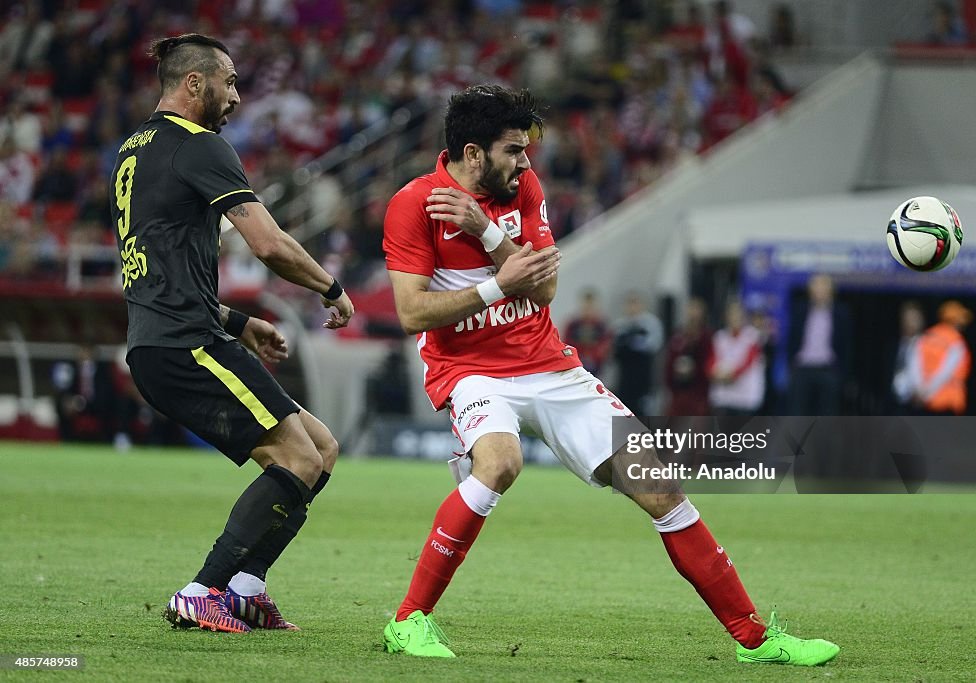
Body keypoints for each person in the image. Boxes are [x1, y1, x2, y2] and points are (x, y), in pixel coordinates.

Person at [379, 83, 838, 665]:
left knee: (662, 487)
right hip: (469, 369)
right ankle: (409, 622)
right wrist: (498, 282)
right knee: (500, 462)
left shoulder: (522, 189)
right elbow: (411, 313)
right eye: (513, 150)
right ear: (474, 154)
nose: (525, 162)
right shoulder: (413, 203)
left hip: (548, 364)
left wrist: (489, 233)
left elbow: (544, 288)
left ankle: (755, 639)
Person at [110, 34, 354, 634]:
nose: (237, 95)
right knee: (296, 456)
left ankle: (246, 587)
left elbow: (160, 276)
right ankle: (203, 590)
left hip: (165, 337)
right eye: (231, 81)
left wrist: (240, 322)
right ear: (195, 82)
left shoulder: (133, 151)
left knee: (319, 448)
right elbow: (268, 244)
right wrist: (329, 288)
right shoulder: (201, 146)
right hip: (184, 344)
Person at [786, 274, 851, 416]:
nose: (819, 291)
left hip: (828, 370)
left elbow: (847, 345)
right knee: (798, 415)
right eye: (816, 287)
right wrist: (792, 365)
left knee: (827, 416)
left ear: (831, 290)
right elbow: (791, 340)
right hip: (802, 369)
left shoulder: (841, 313)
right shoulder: (800, 310)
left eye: (823, 287)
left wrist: (841, 374)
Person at [908, 300, 972, 415]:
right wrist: (928, 392)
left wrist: (921, 392)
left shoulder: (926, 336)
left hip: (924, 401)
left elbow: (914, 366)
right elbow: (945, 372)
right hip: (948, 402)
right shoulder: (956, 342)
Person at [611, 292, 665, 417]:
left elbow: (654, 345)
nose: (632, 308)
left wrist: (632, 343)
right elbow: (614, 349)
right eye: (630, 304)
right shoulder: (620, 326)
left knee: (644, 411)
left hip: (644, 374)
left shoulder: (651, 324)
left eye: (635, 304)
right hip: (625, 376)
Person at [709, 300, 764, 416]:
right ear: (726, 317)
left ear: (744, 317)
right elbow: (711, 361)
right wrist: (714, 373)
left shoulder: (752, 336)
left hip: (745, 397)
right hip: (723, 396)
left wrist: (732, 374)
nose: (735, 318)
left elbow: (748, 361)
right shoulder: (719, 337)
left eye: (738, 314)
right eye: (731, 314)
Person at [664, 297, 713, 416]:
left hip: (698, 392)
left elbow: (708, 361)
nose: (693, 313)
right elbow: (670, 359)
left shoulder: (706, 336)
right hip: (678, 391)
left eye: (696, 309)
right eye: (691, 308)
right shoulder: (679, 334)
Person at [563, 288, 613, 375]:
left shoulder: (601, 326)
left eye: (590, 306)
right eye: (586, 306)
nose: (588, 309)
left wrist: (593, 357)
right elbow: (566, 344)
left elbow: (605, 345)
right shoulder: (573, 325)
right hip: (576, 366)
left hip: (596, 367)